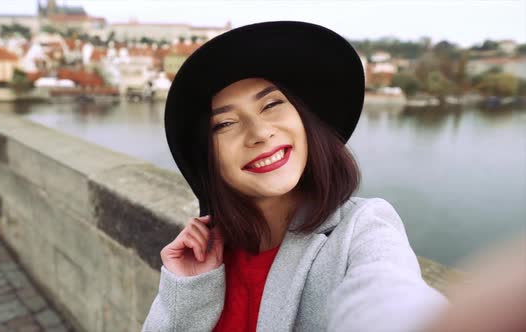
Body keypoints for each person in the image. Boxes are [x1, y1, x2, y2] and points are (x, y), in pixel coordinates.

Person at [141, 21, 448, 332]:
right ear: (208, 157)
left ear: (304, 119)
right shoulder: (206, 258)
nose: (260, 133)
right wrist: (188, 291)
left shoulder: (361, 230)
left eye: (272, 104)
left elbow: (390, 300)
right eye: (225, 124)